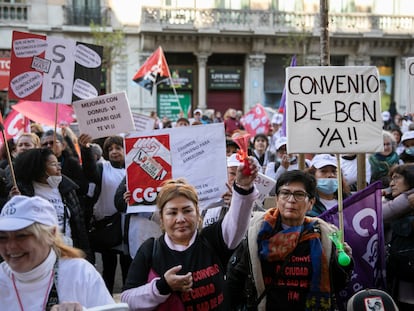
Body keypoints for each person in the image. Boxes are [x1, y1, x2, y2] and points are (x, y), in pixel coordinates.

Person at [121, 157, 259, 310]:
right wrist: (162, 286)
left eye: (187, 211)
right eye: (172, 213)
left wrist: (243, 188)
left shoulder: (211, 239)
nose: (180, 219)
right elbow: (127, 300)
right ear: (161, 218)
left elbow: (237, 222)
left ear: (197, 213)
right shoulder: (150, 250)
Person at [227, 170, 353, 311]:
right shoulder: (254, 232)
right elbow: (235, 281)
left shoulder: (325, 235)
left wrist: (343, 264)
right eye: (285, 193)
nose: (291, 200)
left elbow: (337, 284)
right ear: (277, 199)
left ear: (311, 203)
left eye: (299, 195)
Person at [0, 195, 114, 310]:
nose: (11, 246)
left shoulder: (80, 274)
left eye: (21, 236)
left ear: (51, 234)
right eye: (2, 237)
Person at [12, 148, 93, 262]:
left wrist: (87, 254)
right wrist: (14, 202)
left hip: (66, 249)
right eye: (53, 164)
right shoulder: (23, 192)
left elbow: (79, 225)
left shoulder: (67, 188)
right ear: (40, 168)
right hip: (38, 253)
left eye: (58, 164)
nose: (59, 168)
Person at [80, 134, 132, 294]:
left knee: (128, 268)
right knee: (109, 268)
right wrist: (85, 149)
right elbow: (90, 171)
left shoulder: (134, 169)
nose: (114, 152)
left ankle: (128, 299)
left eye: (118, 148)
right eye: (110, 149)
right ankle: (107, 299)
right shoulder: (103, 168)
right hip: (109, 227)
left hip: (130, 228)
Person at [382, 164, 414, 310]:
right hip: (402, 273)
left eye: (397, 178)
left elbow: (381, 214)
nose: (391, 183)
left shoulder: (407, 200)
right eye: (391, 178)